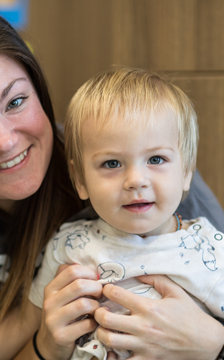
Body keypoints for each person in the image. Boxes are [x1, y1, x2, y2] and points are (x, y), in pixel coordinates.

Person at [0, 5, 224, 360]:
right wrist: (43, 348)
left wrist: (213, 343)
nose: (4, 141)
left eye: (15, 101)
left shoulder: (151, 177)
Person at [28, 68, 224, 360]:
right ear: (80, 179)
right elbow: (35, 327)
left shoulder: (212, 248)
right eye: (111, 163)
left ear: (186, 171)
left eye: (156, 159)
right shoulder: (67, 245)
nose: (136, 180)